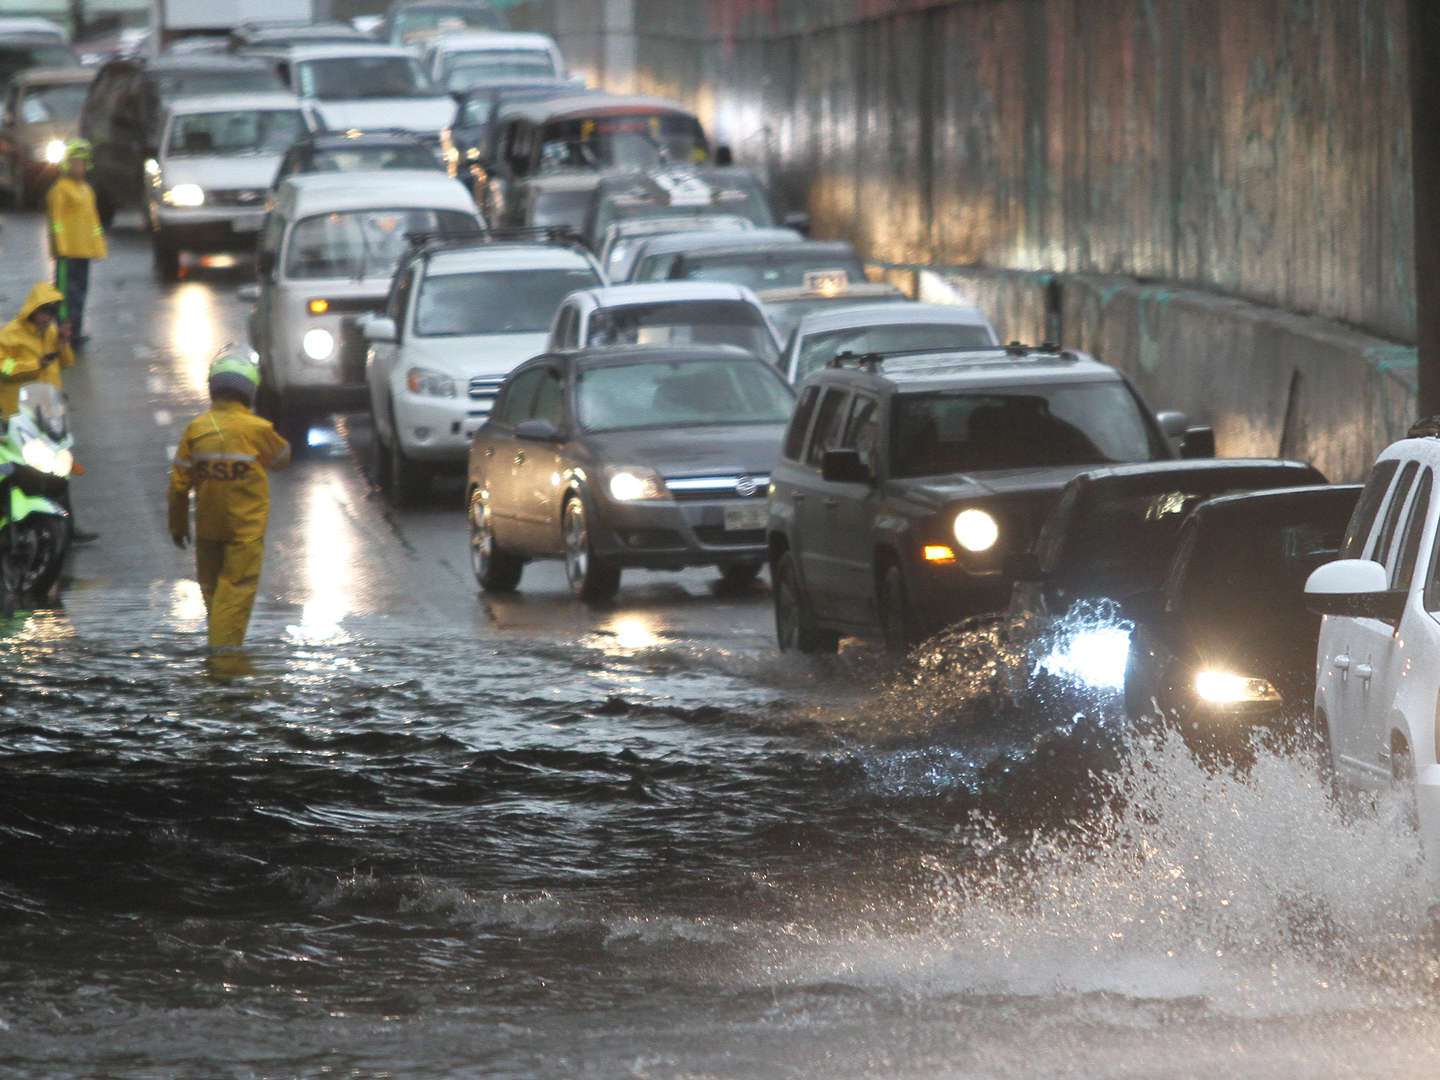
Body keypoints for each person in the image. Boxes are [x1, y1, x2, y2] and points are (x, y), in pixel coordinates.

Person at [167, 346, 291, 650]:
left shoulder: (196, 429)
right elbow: (282, 458)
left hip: (208, 529)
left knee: (212, 591)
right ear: (250, 392)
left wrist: (179, 525)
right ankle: (223, 661)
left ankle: (220, 647)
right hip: (244, 533)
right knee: (235, 593)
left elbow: (179, 486)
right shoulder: (257, 428)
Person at [45, 138, 107, 344]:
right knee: (65, 295)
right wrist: (60, 248)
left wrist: (98, 247)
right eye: (75, 162)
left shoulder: (86, 190)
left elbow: (93, 222)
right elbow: (57, 221)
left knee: (80, 293)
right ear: (67, 164)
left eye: (81, 162)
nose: (79, 167)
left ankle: (76, 330)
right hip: (68, 253)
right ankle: (64, 332)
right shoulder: (60, 190)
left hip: (83, 252)